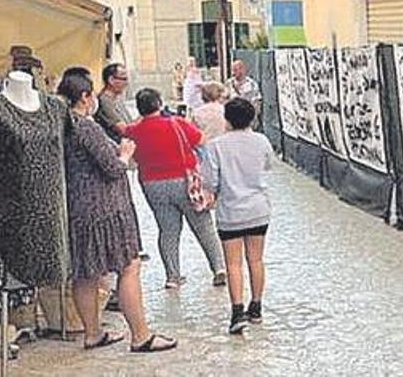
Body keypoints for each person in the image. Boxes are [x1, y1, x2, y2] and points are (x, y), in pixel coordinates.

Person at [57, 75, 176, 353]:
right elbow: (112, 167)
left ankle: (93, 333)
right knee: (128, 266)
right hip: (106, 209)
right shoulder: (86, 127)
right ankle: (141, 335)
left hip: (78, 208)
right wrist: (124, 153)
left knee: (85, 272)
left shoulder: (63, 127)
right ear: (86, 97)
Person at [125, 88, 226, 289]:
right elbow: (201, 141)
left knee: (168, 230)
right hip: (184, 180)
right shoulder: (176, 123)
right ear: (159, 104)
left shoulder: (134, 131)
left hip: (152, 184)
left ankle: (173, 276)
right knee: (203, 225)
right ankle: (219, 268)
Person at [200, 99, 273, 334]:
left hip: (230, 211)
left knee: (233, 263)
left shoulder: (216, 146)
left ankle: (237, 311)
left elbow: (210, 181)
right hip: (258, 209)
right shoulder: (261, 141)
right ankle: (257, 306)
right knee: (256, 259)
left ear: (227, 119)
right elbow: (268, 166)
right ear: (252, 118)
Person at [95, 64, 134, 143]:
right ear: (111, 80)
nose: (126, 83)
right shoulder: (105, 102)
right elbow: (123, 130)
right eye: (124, 79)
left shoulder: (117, 100)